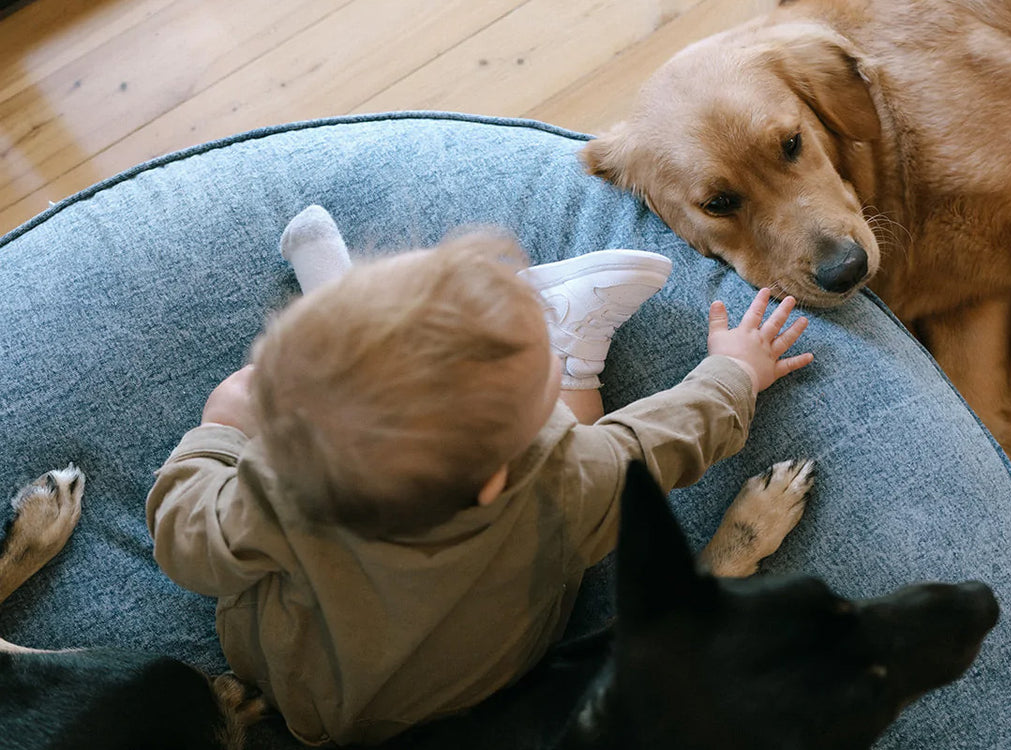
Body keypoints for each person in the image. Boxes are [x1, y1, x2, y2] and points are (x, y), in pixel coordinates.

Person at [145, 209, 814, 745]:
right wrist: (736, 372)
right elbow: (668, 434)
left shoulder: (276, 489)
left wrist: (221, 432)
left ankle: (340, 304)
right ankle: (575, 356)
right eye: (539, 367)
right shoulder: (569, 478)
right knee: (574, 428)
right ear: (494, 480)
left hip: (310, 697)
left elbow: (185, 541)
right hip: (498, 672)